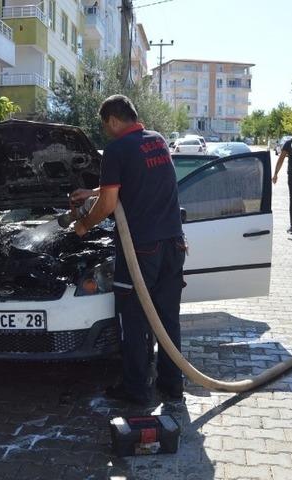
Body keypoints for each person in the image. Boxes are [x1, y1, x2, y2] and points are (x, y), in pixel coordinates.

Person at [70, 95, 186, 405]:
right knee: (167, 317)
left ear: (111, 121)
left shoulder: (117, 148)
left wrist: (83, 226)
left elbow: (109, 205)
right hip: (174, 244)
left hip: (140, 251)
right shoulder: (157, 141)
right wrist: (92, 191)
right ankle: (172, 384)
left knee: (133, 320)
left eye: (104, 125)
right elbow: (138, 179)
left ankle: (136, 390)